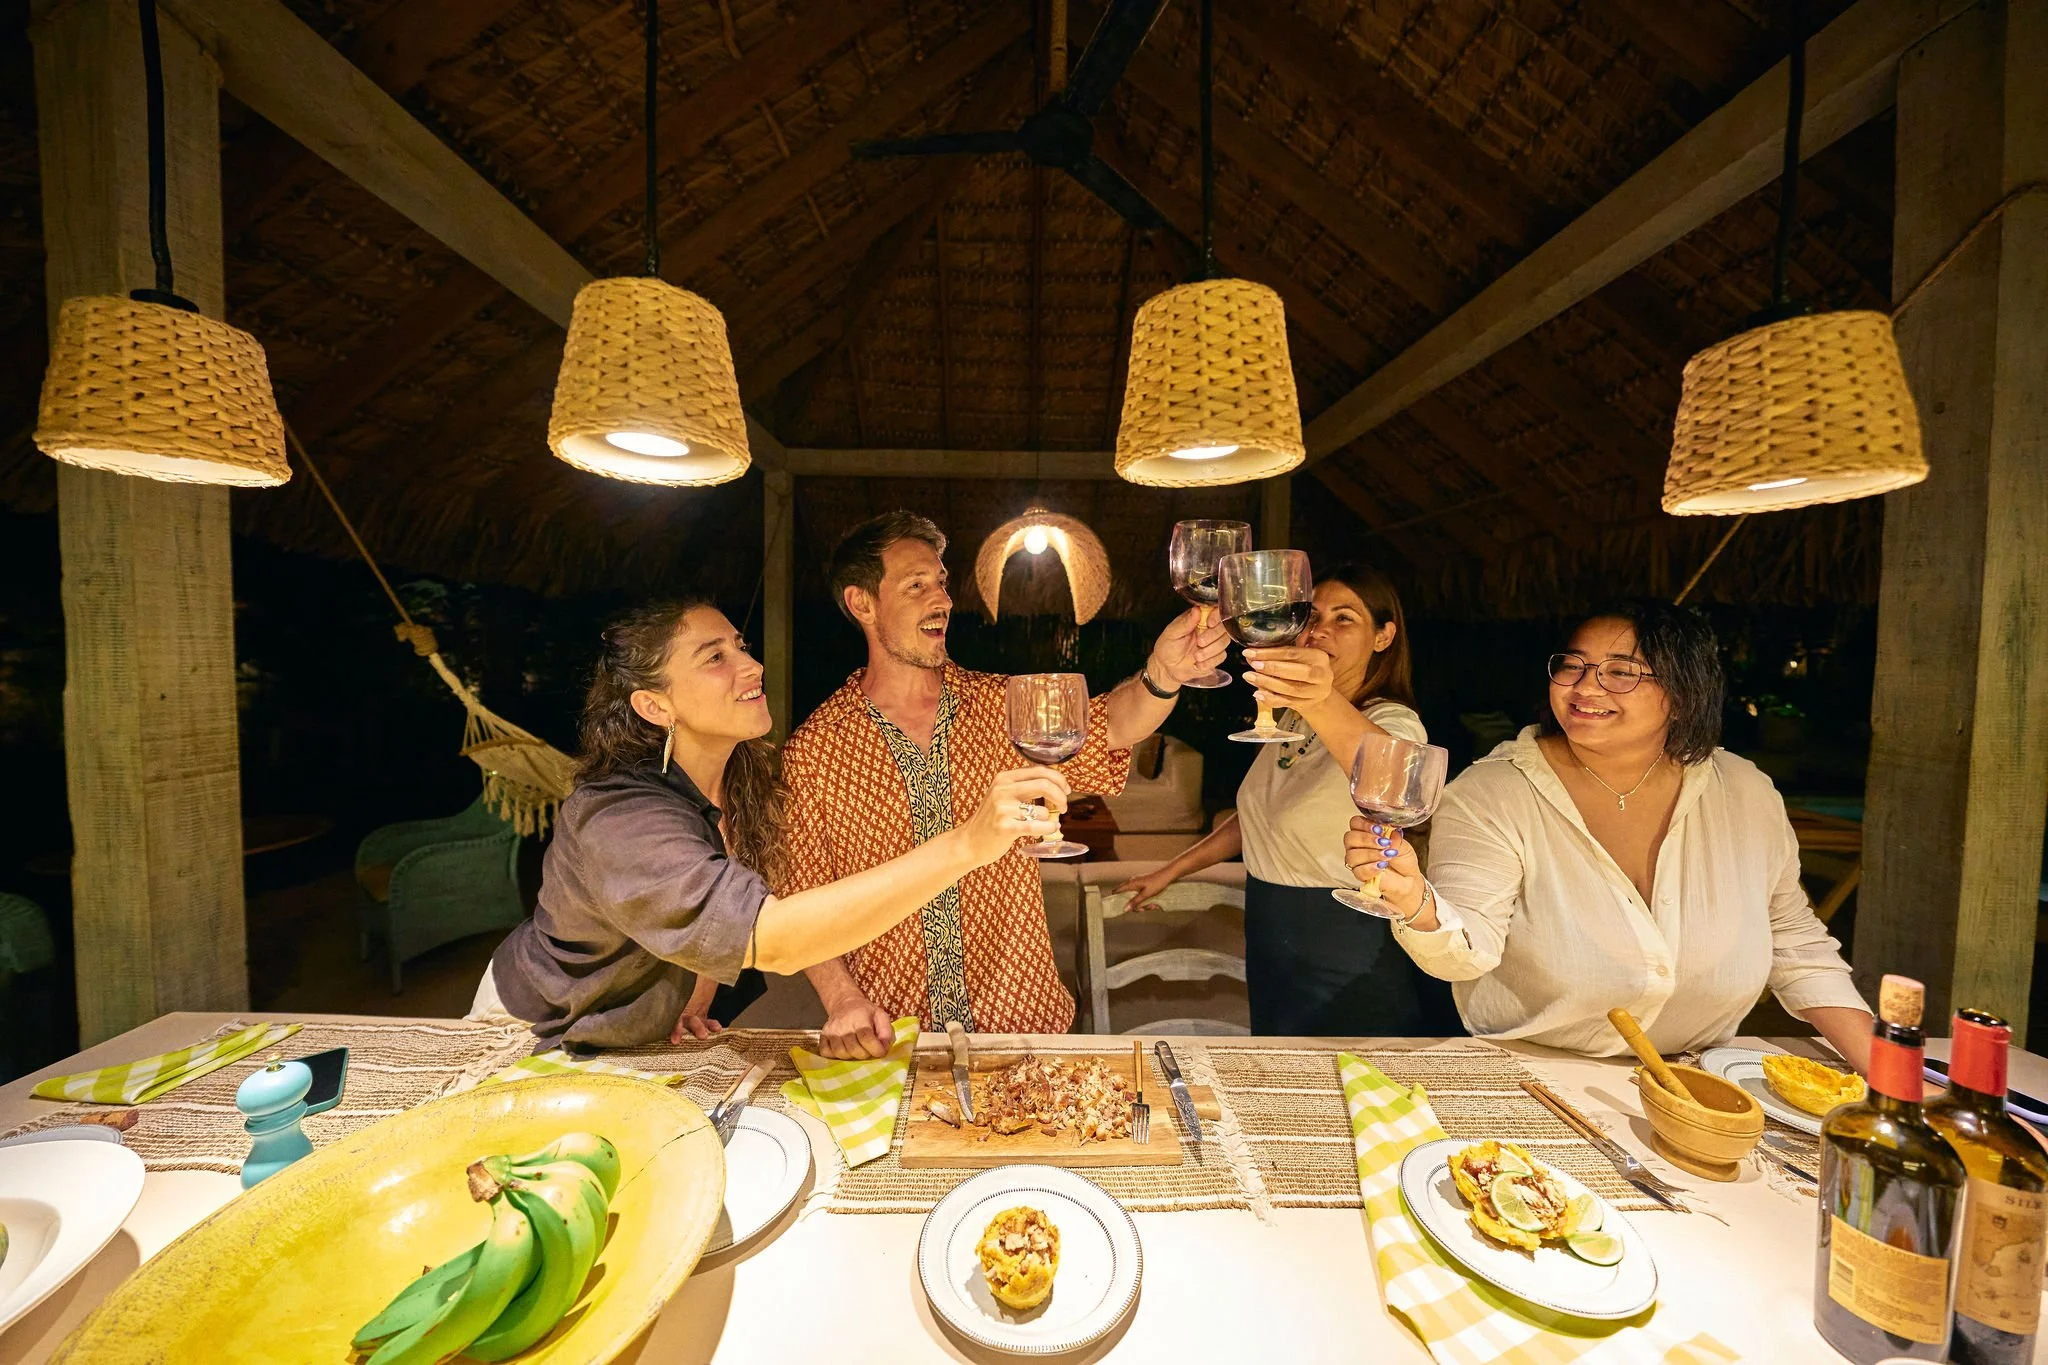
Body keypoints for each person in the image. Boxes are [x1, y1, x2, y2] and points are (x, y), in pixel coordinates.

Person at [472, 597, 1070, 1052]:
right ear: (655, 705)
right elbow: (774, 938)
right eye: (715, 658)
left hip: (635, 1031)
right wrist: (966, 843)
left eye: (741, 647)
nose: (751, 665)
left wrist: (686, 997)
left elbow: (721, 913)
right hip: (536, 1027)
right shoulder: (621, 819)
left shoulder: (745, 781)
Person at [1347, 600, 1873, 1068]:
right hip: (1535, 1077)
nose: (1585, 687)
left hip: (1702, 1080)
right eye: (1571, 666)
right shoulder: (1494, 791)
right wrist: (1416, 902)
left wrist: (1886, 1074)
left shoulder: (1743, 789)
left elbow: (1794, 941)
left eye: (1621, 672)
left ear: (1684, 694)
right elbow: (1466, 952)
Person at [781, 511, 1229, 1056]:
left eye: (942, 583)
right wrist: (843, 999)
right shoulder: (815, 751)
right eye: (917, 586)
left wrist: (1162, 674)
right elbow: (802, 898)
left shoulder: (1002, 705)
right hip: (893, 1037)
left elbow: (1112, 727)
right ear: (862, 603)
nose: (942, 600)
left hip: (1022, 1027)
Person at [1112, 564, 1456, 1034]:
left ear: (1383, 637)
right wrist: (1171, 870)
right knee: (1278, 1066)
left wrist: (1317, 697)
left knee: (1350, 1068)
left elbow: (1400, 785)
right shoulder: (1292, 719)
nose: (1321, 630)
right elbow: (1259, 814)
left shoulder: (1391, 722)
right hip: (1271, 924)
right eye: (1312, 617)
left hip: (1340, 935)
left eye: (1344, 618)